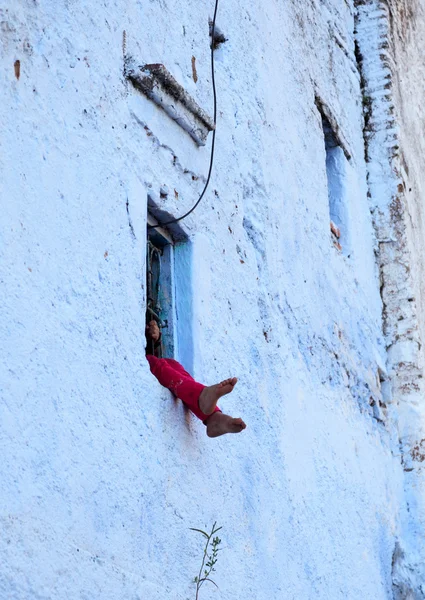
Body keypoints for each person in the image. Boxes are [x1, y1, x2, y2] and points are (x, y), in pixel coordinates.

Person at [145, 320, 246, 437]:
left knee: (177, 370)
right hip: (147, 361)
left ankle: (213, 417)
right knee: (159, 366)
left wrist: (155, 338)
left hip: (162, 360)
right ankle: (204, 402)